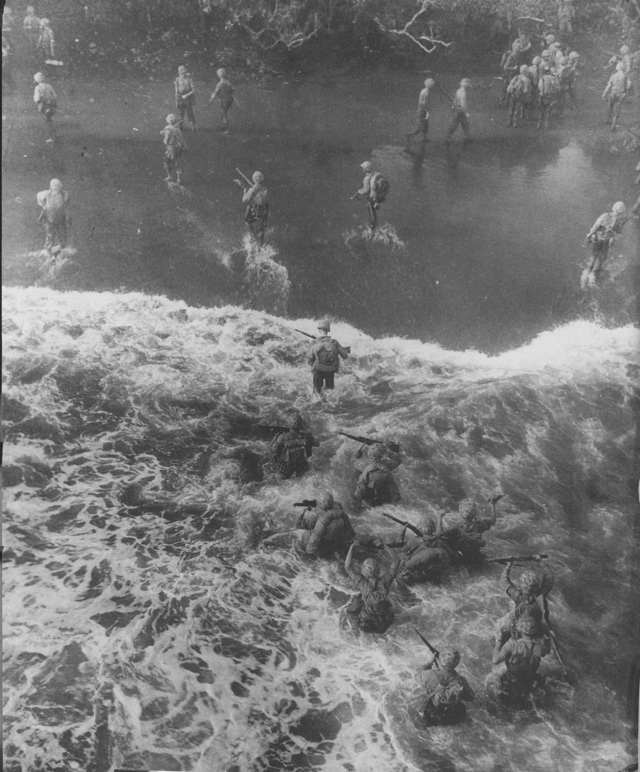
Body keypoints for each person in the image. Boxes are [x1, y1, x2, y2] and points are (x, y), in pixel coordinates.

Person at [494, 559, 555, 649]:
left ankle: (499, 644)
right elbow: (549, 579)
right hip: (536, 626)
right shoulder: (541, 595)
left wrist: (508, 565)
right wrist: (540, 561)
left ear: (521, 586)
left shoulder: (518, 596)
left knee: (504, 630)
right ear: (537, 585)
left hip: (520, 625)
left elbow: (505, 581)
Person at [491, 615, 549, 706]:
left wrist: (498, 642)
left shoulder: (512, 645)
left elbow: (495, 660)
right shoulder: (539, 647)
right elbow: (545, 652)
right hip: (528, 683)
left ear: (520, 629)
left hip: (510, 682)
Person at [344, 540, 400, 633]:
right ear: (378, 570)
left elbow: (347, 566)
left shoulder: (362, 583)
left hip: (367, 621)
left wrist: (351, 548)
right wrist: (384, 546)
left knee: (353, 607)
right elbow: (397, 561)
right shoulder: (385, 581)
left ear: (364, 572)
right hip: (383, 621)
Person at [416, 648, 475, 726]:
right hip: (451, 717)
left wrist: (429, 663)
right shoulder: (461, 680)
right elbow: (470, 697)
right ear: (456, 663)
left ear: (441, 661)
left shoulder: (429, 675)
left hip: (432, 716)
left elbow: (417, 674)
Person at [441, 495, 502, 566]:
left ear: (461, 513)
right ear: (475, 513)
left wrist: (440, 517)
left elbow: (441, 535)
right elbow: (492, 521)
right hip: (476, 556)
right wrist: (493, 505)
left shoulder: (457, 527)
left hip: (463, 558)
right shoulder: (479, 524)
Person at [396, 512, 452, 585]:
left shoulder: (415, 540)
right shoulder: (439, 541)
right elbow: (439, 532)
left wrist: (402, 532)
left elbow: (400, 549)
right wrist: (440, 517)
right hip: (432, 573)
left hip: (417, 573)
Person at [296, 492, 355, 557]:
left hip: (322, 546)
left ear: (320, 505)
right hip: (335, 542)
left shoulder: (318, 519)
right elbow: (349, 531)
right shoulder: (340, 512)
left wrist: (302, 513)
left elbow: (299, 525)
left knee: (306, 534)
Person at [307, 319, 350, 396]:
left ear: (319, 329)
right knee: (330, 393)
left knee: (316, 393)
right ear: (328, 330)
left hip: (318, 371)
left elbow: (309, 361)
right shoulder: (334, 342)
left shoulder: (313, 343)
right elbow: (345, 356)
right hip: (330, 371)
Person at [270, 412, 318, 479]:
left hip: (285, 468)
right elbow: (317, 444)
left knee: (277, 479)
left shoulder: (282, 437)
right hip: (301, 466)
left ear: (288, 424)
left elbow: (273, 451)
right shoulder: (306, 437)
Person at [584, 201, 627, 274]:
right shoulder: (613, 218)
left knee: (598, 256)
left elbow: (596, 226)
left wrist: (590, 235)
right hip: (602, 239)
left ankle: (591, 272)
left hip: (602, 239)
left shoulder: (610, 218)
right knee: (599, 256)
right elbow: (618, 231)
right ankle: (592, 272)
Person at [353, 442, 401, 507]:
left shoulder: (364, 465)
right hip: (384, 490)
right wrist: (387, 450)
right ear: (382, 454)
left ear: (369, 454)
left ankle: (362, 503)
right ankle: (394, 503)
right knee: (391, 483)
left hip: (368, 491)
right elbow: (398, 459)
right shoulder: (387, 464)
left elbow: (353, 460)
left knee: (362, 485)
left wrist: (358, 452)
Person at [36, 179, 70, 258]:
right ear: (51, 189)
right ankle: (49, 254)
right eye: (55, 189)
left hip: (60, 218)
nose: (57, 191)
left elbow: (66, 207)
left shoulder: (64, 194)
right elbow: (44, 207)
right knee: (49, 236)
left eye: (59, 189)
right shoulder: (45, 194)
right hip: (49, 218)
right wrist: (40, 218)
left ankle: (57, 250)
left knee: (63, 239)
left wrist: (68, 217)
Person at [234, 170, 269, 246]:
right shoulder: (264, 188)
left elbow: (244, 200)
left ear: (253, 179)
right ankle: (260, 247)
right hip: (264, 210)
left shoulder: (252, 189)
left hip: (257, 211)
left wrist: (244, 191)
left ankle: (253, 238)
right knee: (261, 229)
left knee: (248, 221)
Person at [351, 161, 383, 231]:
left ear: (365, 169)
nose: (363, 170)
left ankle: (372, 229)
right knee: (374, 213)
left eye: (363, 168)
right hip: (377, 198)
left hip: (371, 199)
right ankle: (374, 226)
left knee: (372, 214)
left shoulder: (366, 179)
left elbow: (365, 191)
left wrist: (359, 191)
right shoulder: (375, 174)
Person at [602, 62, 631, 131]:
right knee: (617, 110)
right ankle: (613, 126)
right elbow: (629, 85)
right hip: (620, 95)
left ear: (617, 68)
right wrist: (625, 91)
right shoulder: (625, 76)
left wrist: (604, 94)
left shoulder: (613, 76)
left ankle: (608, 120)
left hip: (613, 94)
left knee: (610, 107)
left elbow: (609, 86)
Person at [407, 78, 436, 144]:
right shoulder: (426, 92)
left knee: (425, 126)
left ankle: (424, 138)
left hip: (422, 110)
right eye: (433, 84)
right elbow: (424, 103)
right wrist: (427, 110)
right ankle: (409, 135)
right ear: (430, 85)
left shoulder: (424, 91)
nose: (433, 86)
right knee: (420, 127)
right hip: (423, 111)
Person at [160, 113, 187, 184]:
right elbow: (181, 139)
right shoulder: (176, 128)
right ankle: (179, 179)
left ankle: (169, 176)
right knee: (177, 163)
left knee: (166, 162)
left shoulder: (168, 128)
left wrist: (164, 135)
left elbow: (166, 141)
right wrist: (184, 146)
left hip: (170, 148)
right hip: (177, 148)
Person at [445, 79, 472, 144]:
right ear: (466, 85)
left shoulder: (458, 91)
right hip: (460, 111)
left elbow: (455, 100)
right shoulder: (463, 93)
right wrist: (466, 113)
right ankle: (448, 138)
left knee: (465, 124)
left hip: (458, 110)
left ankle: (467, 137)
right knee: (456, 124)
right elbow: (463, 104)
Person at [33, 71, 56, 142]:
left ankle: (50, 137)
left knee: (46, 120)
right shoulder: (49, 86)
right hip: (50, 105)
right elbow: (55, 95)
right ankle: (52, 135)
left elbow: (37, 99)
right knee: (49, 119)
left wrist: (36, 99)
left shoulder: (37, 88)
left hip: (44, 106)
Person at [537, 66, 560, 130]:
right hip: (549, 97)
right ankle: (546, 125)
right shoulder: (553, 79)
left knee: (541, 111)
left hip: (542, 96)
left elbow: (539, 87)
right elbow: (558, 88)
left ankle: (539, 124)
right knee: (548, 111)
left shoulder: (542, 79)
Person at [174, 64, 196, 132]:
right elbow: (177, 89)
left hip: (188, 99)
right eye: (181, 73)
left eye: (183, 73)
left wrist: (186, 95)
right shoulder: (177, 79)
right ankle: (181, 126)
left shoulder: (189, 79)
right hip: (180, 98)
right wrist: (177, 100)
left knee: (190, 112)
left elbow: (193, 90)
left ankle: (193, 127)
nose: (182, 75)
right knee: (181, 113)